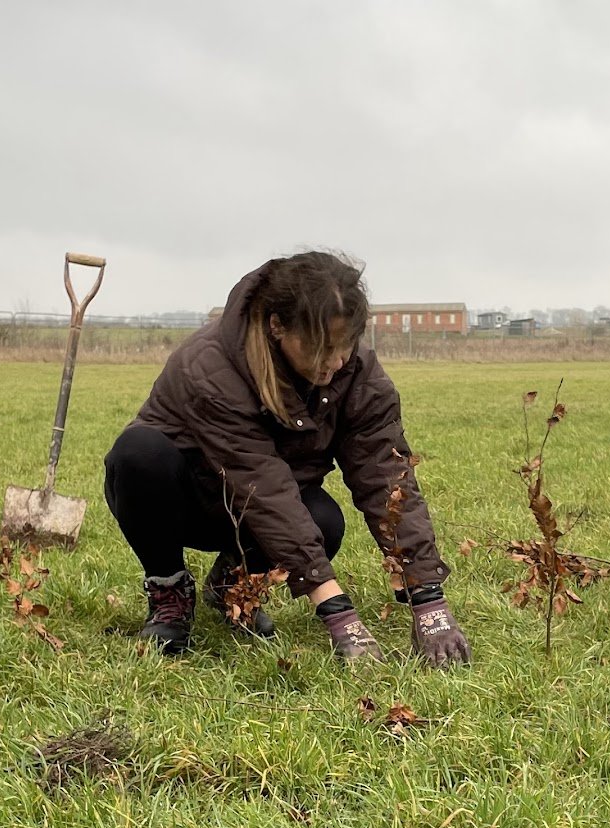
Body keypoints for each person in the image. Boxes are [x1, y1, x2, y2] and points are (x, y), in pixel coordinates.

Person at [103, 251, 471, 667]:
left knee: (324, 521)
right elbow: (261, 486)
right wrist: (338, 612)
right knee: (138, 455)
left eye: (345, 345)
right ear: (277, 326)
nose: (335, 362)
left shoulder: (357, 373)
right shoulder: (209, 365)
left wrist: (427, 597)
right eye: (320, 348)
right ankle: (168, 588)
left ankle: (234, 586)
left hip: (262, 509)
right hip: (189, 497)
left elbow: (385, 474)